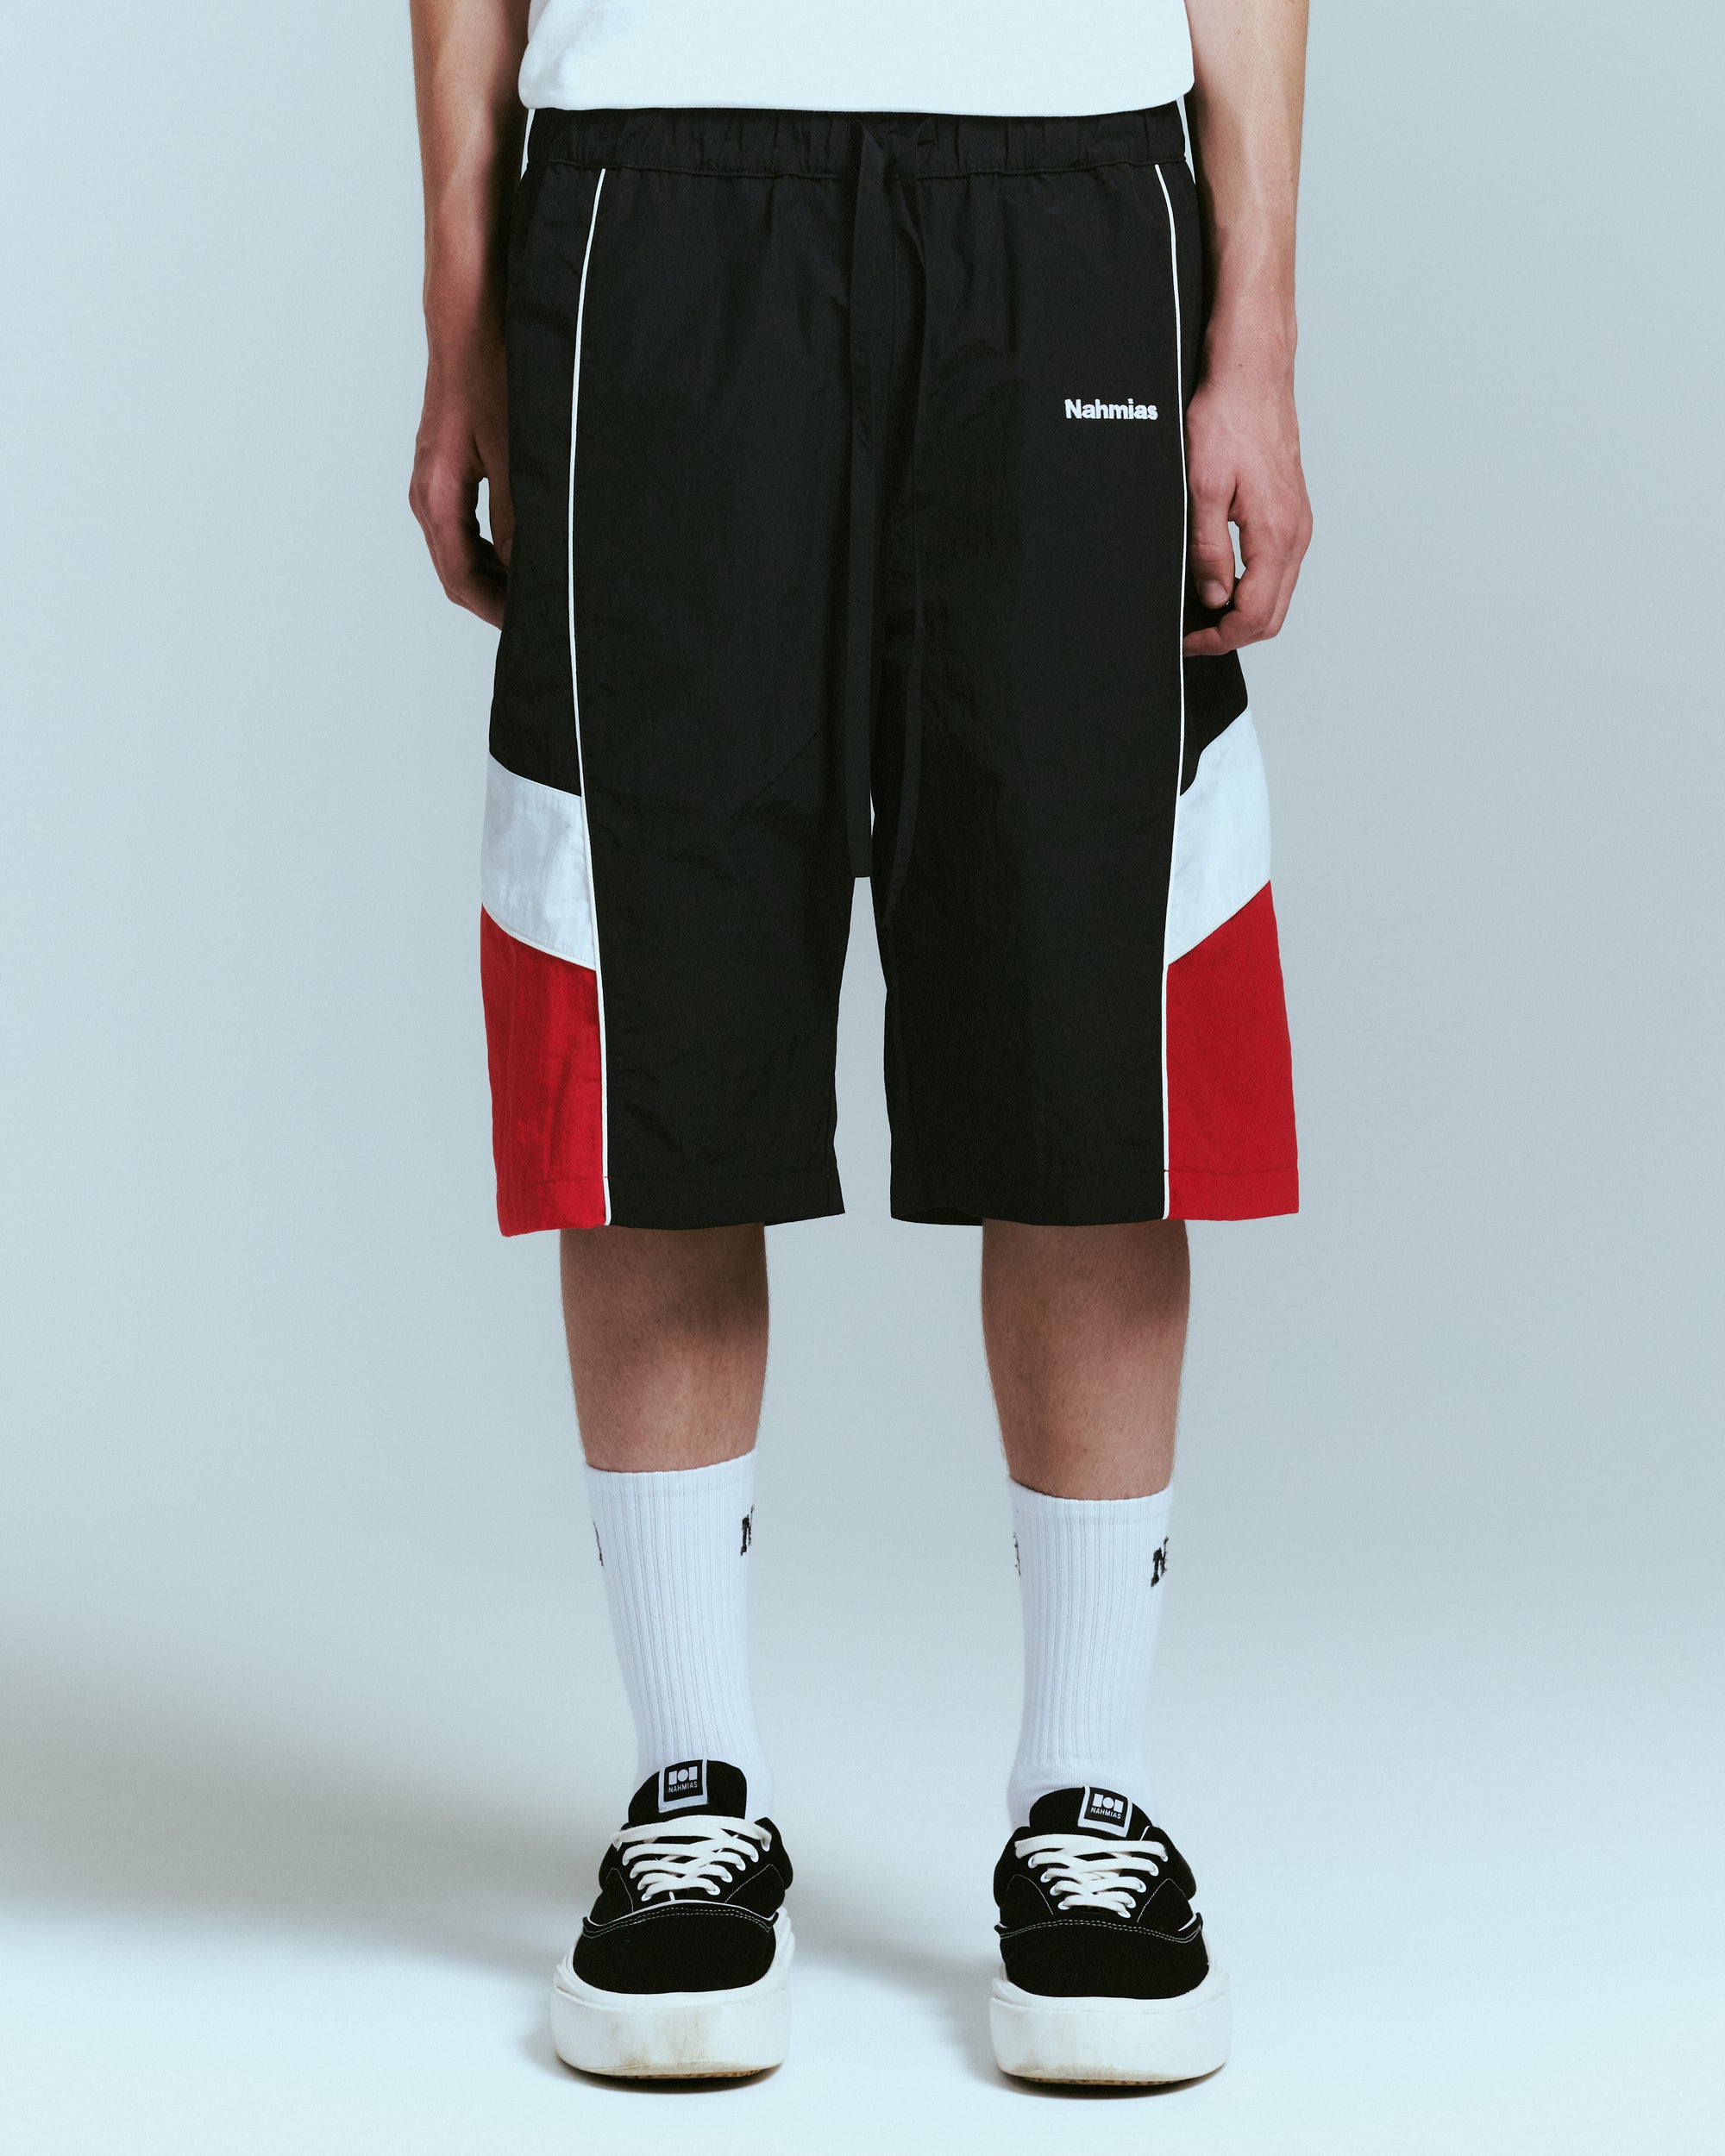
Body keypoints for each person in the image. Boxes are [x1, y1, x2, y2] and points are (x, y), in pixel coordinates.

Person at [409, 0, 1311, 2089]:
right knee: (659, 1010)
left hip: (1066, 182)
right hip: (656, 184)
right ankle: (690, 1794)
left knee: (1088, 1029)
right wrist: (462, 317)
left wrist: (1252, 331)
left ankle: (1086, 1797)